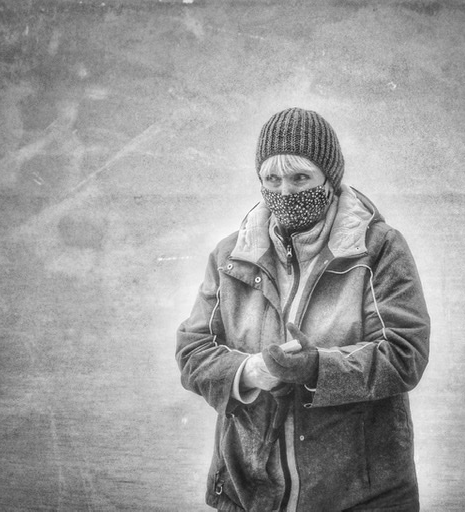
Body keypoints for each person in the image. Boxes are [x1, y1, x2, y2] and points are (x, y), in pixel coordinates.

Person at [176, 107, 430, 512]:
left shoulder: (380, 249)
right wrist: (250, 371)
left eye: (300, 178)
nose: (285, 192)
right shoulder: (229, 257)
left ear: (329, 178)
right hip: (248, 493)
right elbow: (193, 352)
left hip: (363, 496)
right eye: (272, 179)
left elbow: (405, 354)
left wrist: (316, 369)